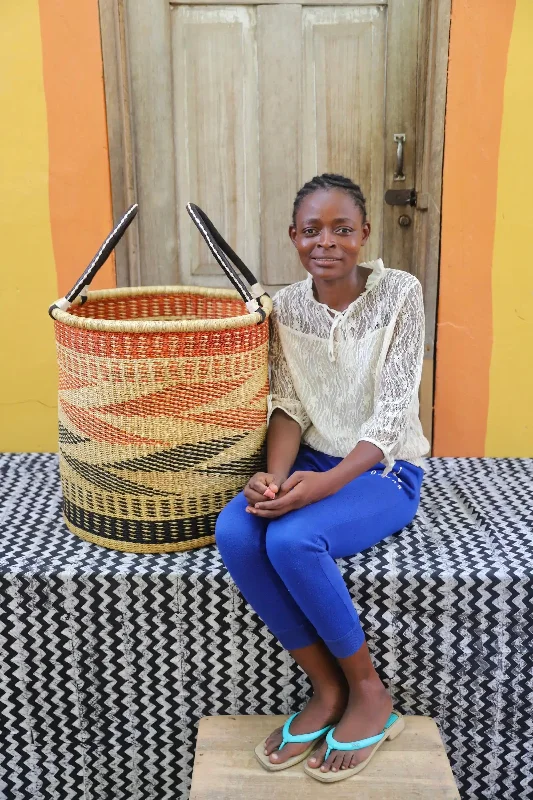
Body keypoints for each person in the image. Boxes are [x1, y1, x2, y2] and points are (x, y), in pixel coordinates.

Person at [215, 173, 430, 783]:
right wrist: (274, 479)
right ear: (293, 237)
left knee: (292, 540)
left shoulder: (399, 295)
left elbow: (391, 417)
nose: (326, 242)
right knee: (237, 530)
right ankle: (326, 688)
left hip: (382, 470)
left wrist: (326, 485)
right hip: (310, 461)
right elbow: (288, 403)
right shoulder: (284, 308)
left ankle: (369, 693)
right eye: (312, 230)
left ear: (364, 234)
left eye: (342, 229)